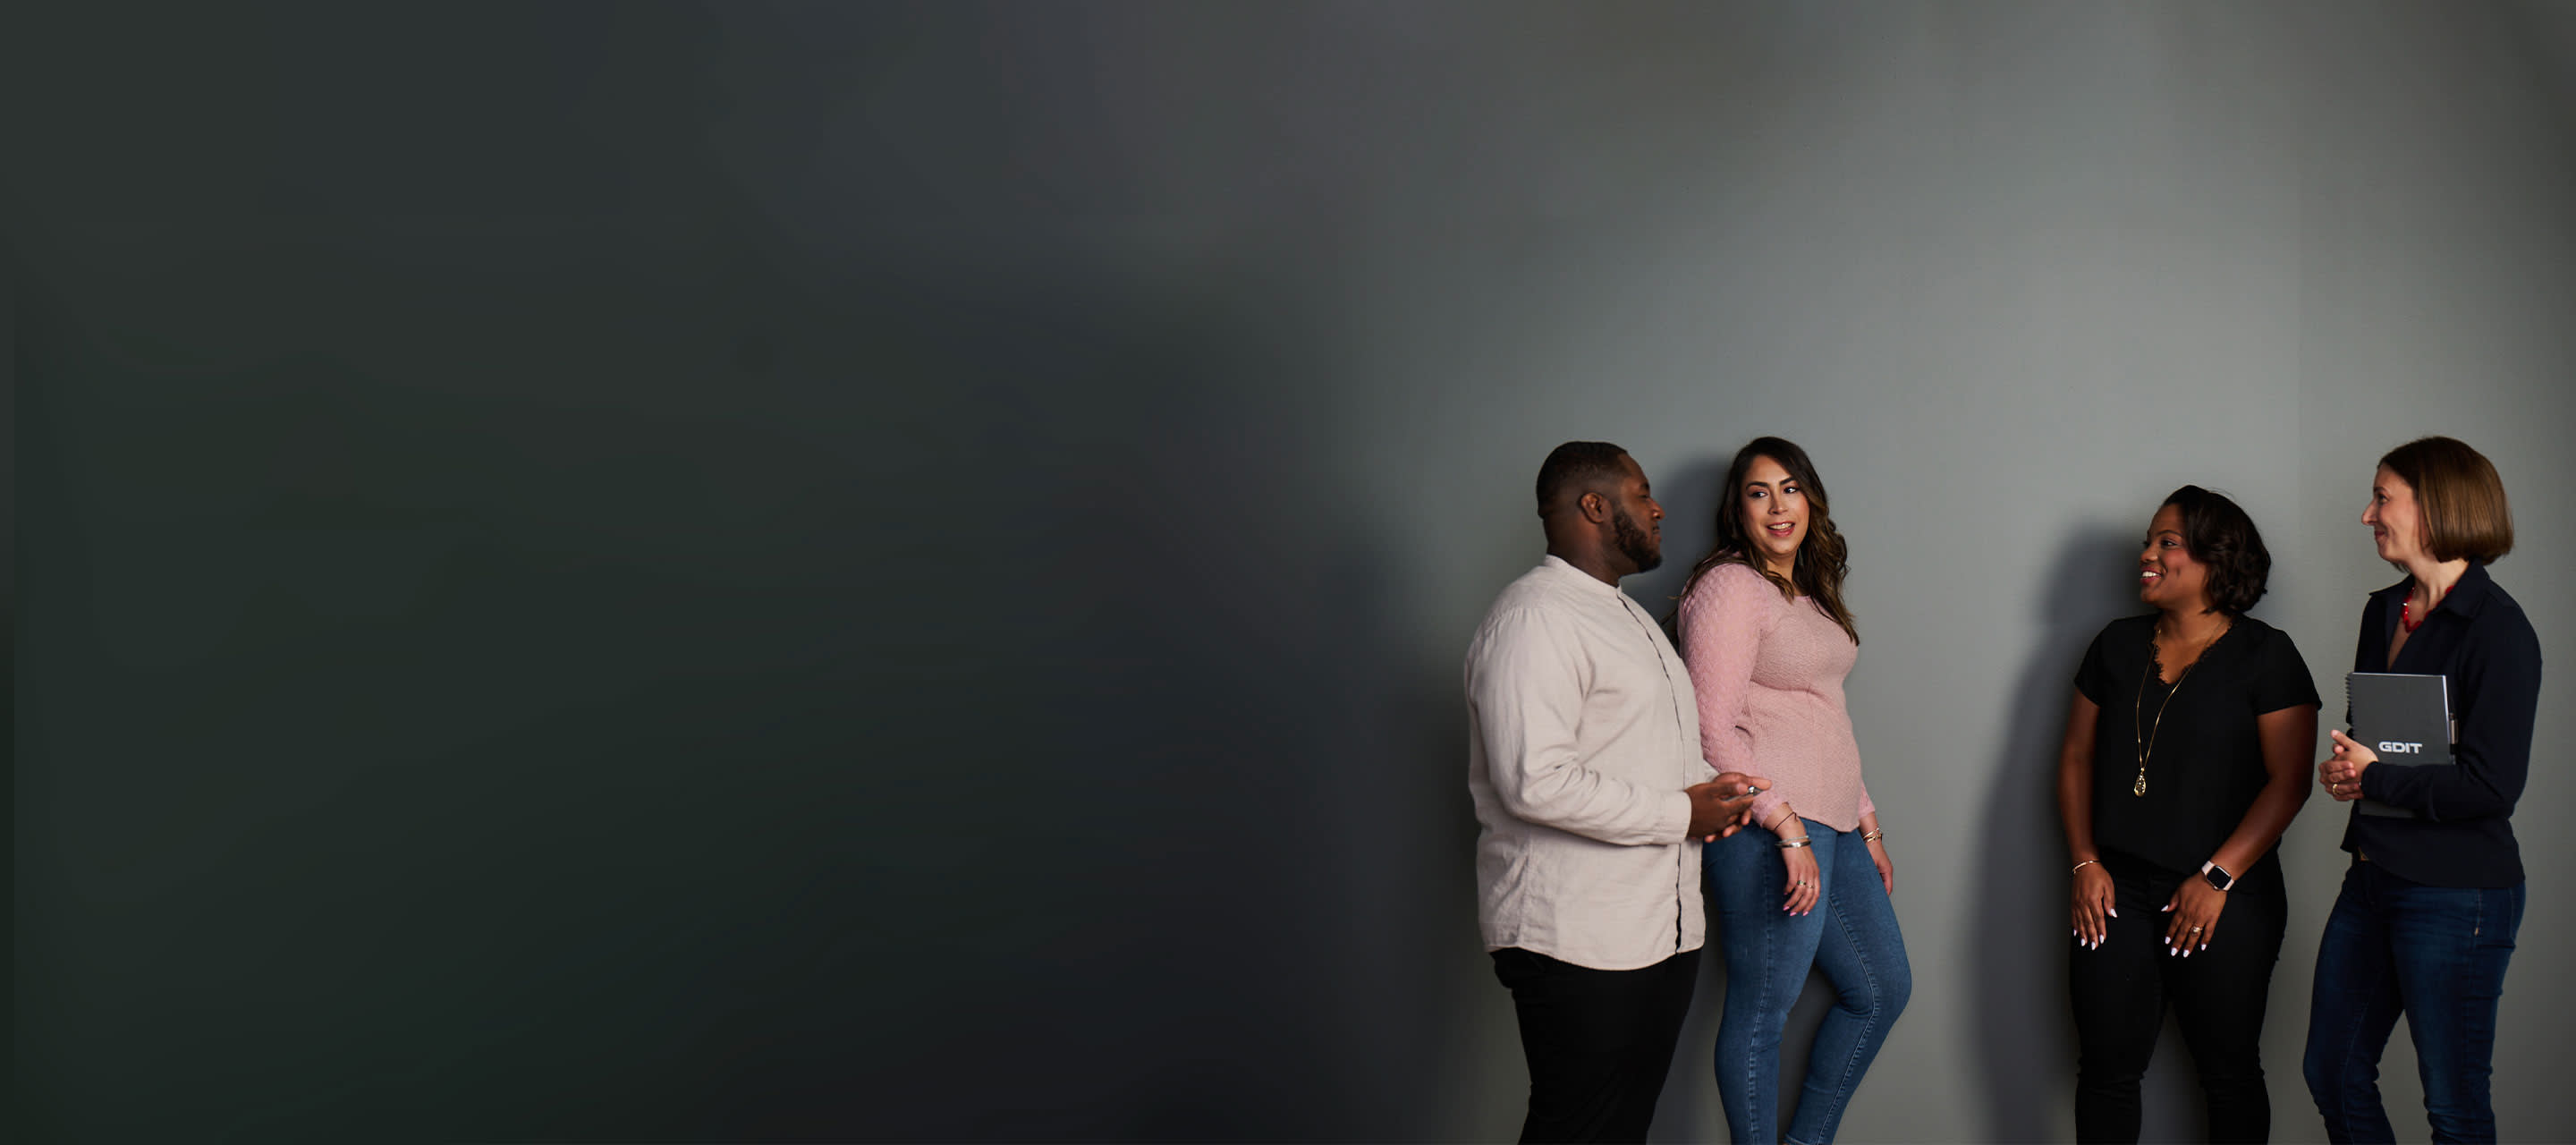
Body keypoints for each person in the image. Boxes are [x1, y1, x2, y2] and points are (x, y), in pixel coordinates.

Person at [1468, 440, 1771, 1144]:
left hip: (1654, 935)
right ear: (1593, 507)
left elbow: (1643, 750)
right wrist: (1680, 812)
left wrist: (1709, 791)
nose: (1658, 507)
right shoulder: (1534, 618)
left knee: (1621, 1132)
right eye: (1641, 493)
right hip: (1575, 937)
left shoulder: (1628, 618)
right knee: (1577, 1130)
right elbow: (1532, 781)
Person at [2056, 487, 2320, 1143]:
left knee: (2228, 1074)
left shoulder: (2268, 655)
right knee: (2106, 1074)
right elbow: (2074, 760)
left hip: (2227, 898)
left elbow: (2289, 785)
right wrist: (2085, 862)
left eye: (2166, 543)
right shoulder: (2115, 648)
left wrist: (2217, 878)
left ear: (2214, 559)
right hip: (2114, 892)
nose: (2146, 555)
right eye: (2150, 541)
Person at [2304, 437, 2540, 1144]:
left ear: (2434, 507)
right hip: (2372, 876)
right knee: (2332, 1073)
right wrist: (2352, 771)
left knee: (2454, 1107)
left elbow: (2492, 787)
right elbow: (2381, 740)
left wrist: (2377, 774)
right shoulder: (2383, 612)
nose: (2366, 513)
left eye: (2382, 497)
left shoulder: (2501, 632)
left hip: (2457, 895)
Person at [1674, 437, 1907, 1145]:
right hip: (1765, 828)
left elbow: (1825, 715)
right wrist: (1784, 825)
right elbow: (1710, 728)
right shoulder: (1728, 587)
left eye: (1791, 489)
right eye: (1758, 491)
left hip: (1830, 823)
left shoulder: (1805, 596)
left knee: (1880, 989)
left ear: (1810, 500)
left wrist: (1865, 822)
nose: (1778, 506)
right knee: (1763, 1008)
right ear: (1736, 509)